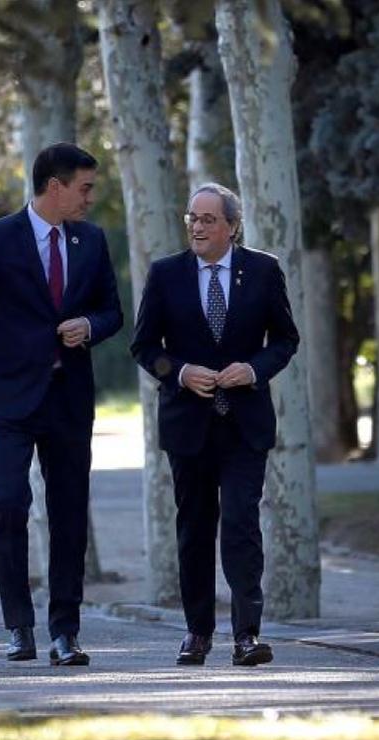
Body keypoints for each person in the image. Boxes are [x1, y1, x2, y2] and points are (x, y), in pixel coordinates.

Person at [0, 143, 123, 666]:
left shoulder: (91, 241)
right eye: (85, 188)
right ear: (56, 186)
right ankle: (18, 626)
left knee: (69, 515)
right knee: (8, 504)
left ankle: (65, 632)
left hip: (68, 400)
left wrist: (89, 326)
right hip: (5, 402)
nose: (90, 198)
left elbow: (113, 312)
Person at [130, 183, 299, 667]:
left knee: (242, 524)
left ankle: (247, 635)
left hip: (245, 425)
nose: (198, 227)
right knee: (195, 529)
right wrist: (180, 373)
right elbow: (145, 348)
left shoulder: (263, 271)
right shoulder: (166, 274)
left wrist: (255, 369)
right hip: (188, 426)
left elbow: (285, 339)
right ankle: (198, 632)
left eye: (208, 220)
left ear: (231, 226)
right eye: (193, 219)